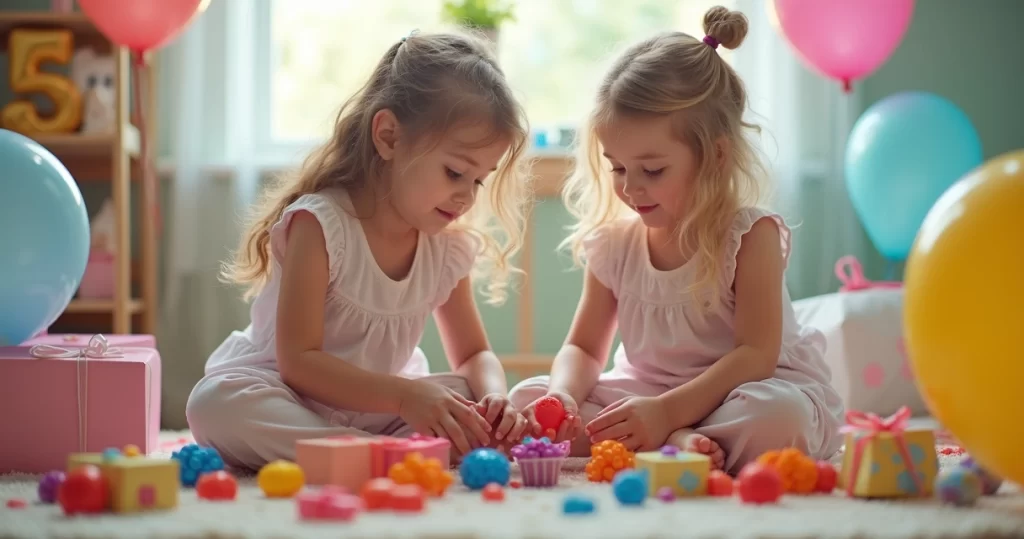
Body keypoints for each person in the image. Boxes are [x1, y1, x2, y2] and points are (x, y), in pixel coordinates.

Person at [509, 7, 845, 474]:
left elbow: (756, 356)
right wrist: (562, 396)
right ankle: (681, 445)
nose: (630, 188)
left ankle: (670, 439)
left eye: (652, 170)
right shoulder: (614, 244)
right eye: (619, 168)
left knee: (777, 418)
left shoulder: (749, 236)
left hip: (740, 392)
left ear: (715, 156)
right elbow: (585, 349)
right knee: (526, 399)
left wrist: (667, 412)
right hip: (647, 395)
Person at [187, 31, 533, 470]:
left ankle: (355, 454)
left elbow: (472, 355)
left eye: (478, 180)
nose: (467, 197)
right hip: (286, 393)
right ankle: (388, 457)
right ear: (388, 136)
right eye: (454, 172)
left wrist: (494, 400)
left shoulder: (446, 246)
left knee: (463, 398)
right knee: (215, 403)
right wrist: (406, 396)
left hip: (382, 410)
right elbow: (299, 363)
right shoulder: (321, 225)